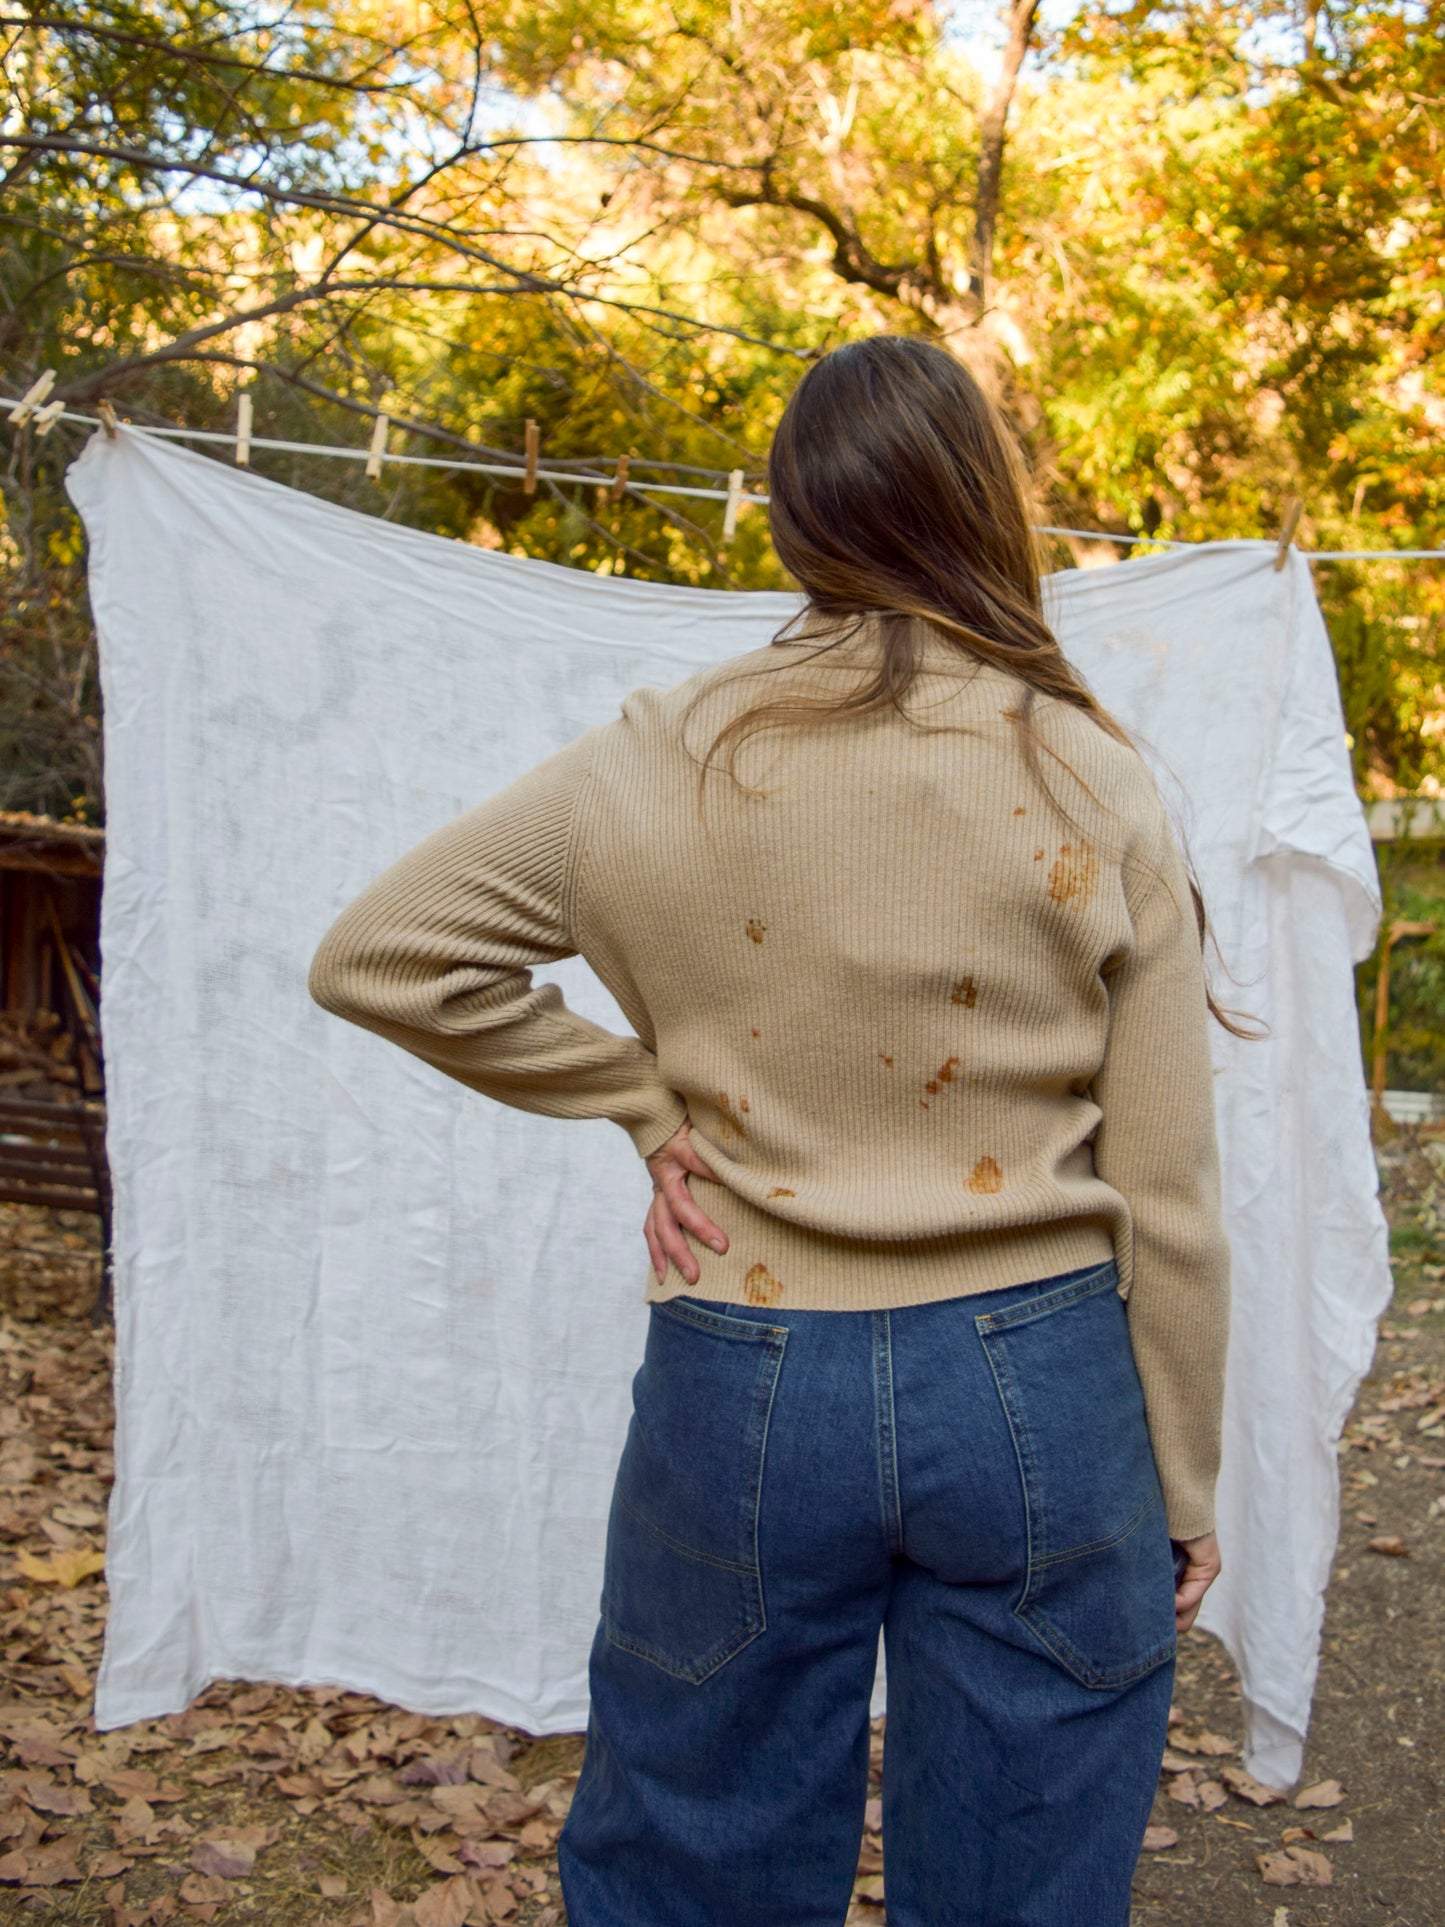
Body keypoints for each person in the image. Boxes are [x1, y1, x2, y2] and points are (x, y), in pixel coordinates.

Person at [308, 334, 1231, 1927]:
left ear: (794, 517)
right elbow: (1167, 1189)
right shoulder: (1082, 769)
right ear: (975, 504)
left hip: (745, 1375)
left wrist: (637, 1099)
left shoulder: (658, 755)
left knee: (694, 1864)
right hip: (1041, 1390)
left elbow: (381, 955)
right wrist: (1187, 1477)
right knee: (1023, 1879)